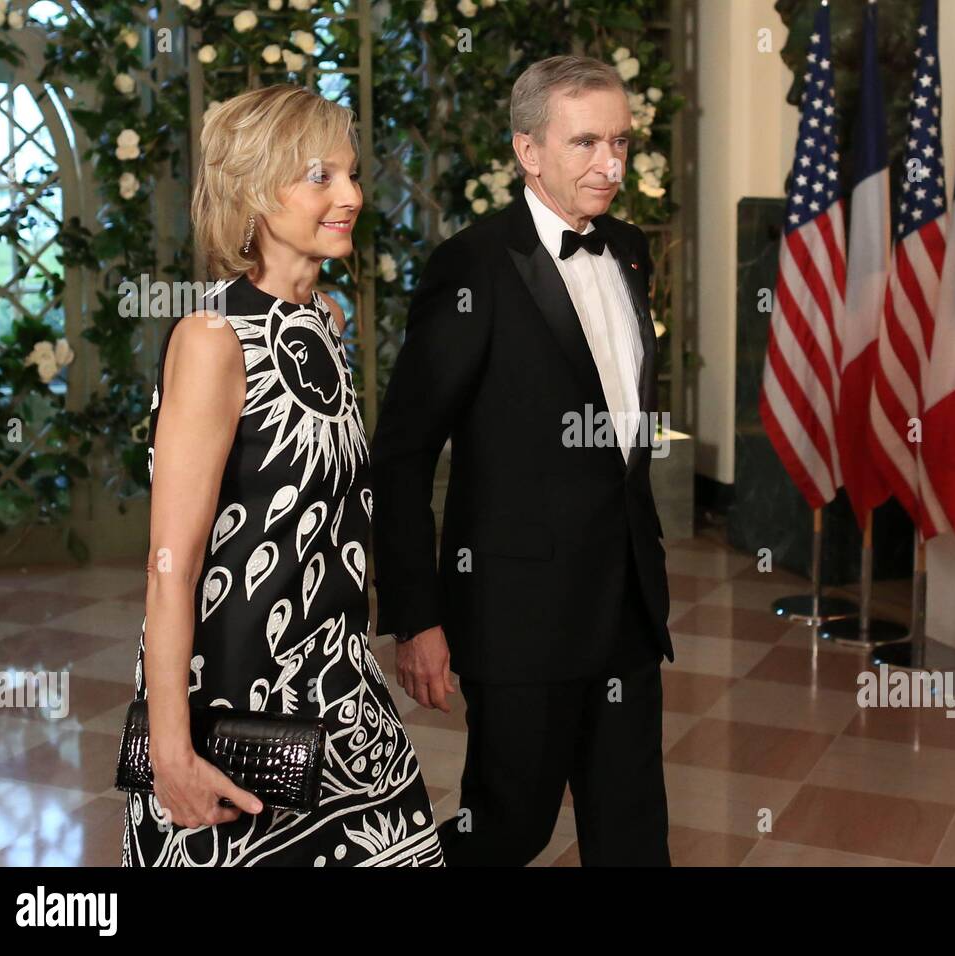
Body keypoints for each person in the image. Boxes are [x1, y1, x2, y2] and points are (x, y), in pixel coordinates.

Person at [122, 84, 443, 867]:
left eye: (352, 173)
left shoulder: (321, 324)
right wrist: (171, 752)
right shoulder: (211, 340)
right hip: (239, 708)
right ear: (254, 195)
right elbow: (173, 568)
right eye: (320, 176)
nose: (353, 196)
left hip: (341, 694)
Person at [371, 55, 674, 866]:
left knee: (633, 829)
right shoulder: (471, 268)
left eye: (618, 141)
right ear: (528, 151)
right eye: (584, 143)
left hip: (628, 603)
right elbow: (401, 452)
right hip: (518, 613)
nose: (610, 164)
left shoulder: (632, 251)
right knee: (508, 826)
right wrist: (417, 616)